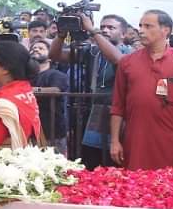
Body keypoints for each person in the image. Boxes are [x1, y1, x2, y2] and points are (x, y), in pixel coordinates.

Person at [110, 10, 173, 169]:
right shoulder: (127, 62)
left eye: (148, 26)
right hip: (136, 138)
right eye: (140, 26)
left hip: (172, 140)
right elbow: (117, 106)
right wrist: (115, 141)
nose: (141, 31)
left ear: (166, 30)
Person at [50, 13, 132, 169]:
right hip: (91, 114)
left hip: (117, 116)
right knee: (90, 163)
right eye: (102, 27)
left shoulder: (129, 52)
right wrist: (61, 35)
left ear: (123, 34)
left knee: (113, 164)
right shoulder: (93, 51)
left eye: (111, 27)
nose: (105, 30)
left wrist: (93, 31)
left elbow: (118, 60)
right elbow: (55, 55)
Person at [29, 39, 69, 154]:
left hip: (52, 130)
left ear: (50, 57)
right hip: (30, 129)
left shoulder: (56, 74)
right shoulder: (25, 76)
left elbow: (56, 90)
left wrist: (31, 90)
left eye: (41, 48)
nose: (35, 49)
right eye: (33, 48)